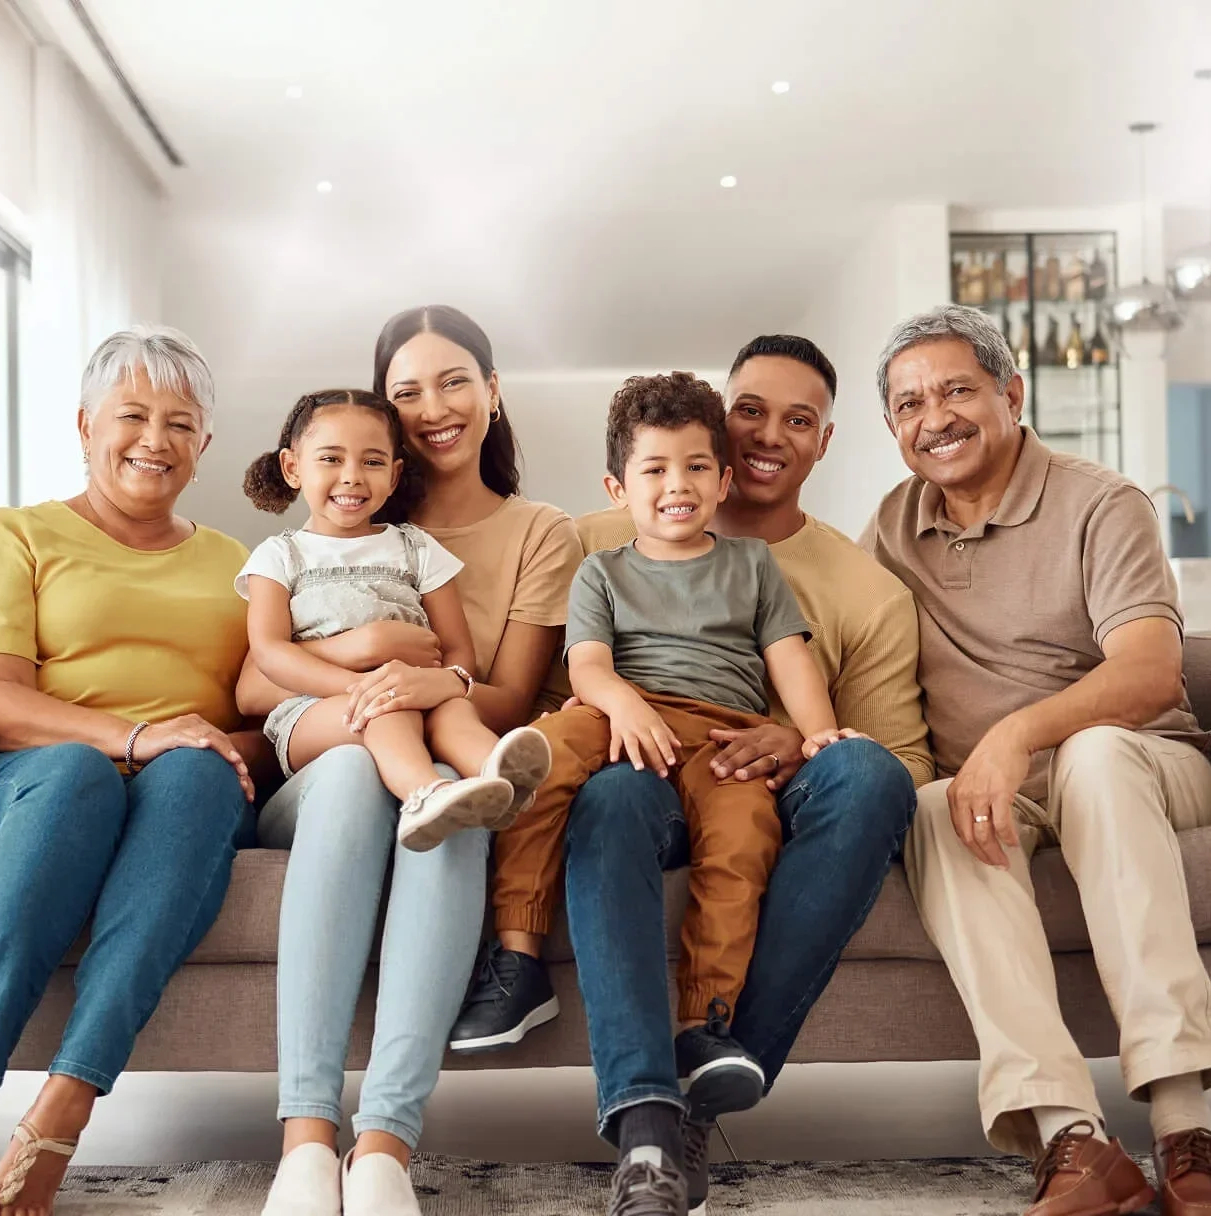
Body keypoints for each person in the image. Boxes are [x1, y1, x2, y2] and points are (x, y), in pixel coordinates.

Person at [460, 335, 926, 1216]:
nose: (764, 435)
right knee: (588, 780)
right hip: (620, 750)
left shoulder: (836, 585)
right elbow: (579, 666)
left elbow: (869, 741)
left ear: (822, 441)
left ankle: (708, 1045)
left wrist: (809, 737)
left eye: (797, 419)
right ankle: (574, 1026)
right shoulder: (596, 548)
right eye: (749, 410)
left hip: (731, 749)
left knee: (825, 793)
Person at [0, 326, 271, 1216]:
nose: (153, 439)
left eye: (180, 423)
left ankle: (65, 1102)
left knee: (198, 778)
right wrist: (135, 737)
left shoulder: (238, 566)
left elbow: (260, 718)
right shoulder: (16, 535)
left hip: (184, 789)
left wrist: (215, 749)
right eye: (131, 415)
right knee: (77, 774)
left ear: (204, 445)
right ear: (85, 424)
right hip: (19, 780)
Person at [866, 304, 1211, 1216]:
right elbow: (840, 645)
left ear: (1010, 394)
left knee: (1095, 754)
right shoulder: (892, 529)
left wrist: (1015, 735)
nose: (931, 417)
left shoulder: (1102, 501)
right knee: (936, 806)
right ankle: (1073, 1139)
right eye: (906, 404)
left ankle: (1185, 1126)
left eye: (954, 390)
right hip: (997, 793)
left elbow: (1148, 671)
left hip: (1143, 765)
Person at [250, 306, 582, 1216]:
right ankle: (306, 1140)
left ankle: (386, 1144)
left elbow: (504, 695)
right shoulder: (312, 540)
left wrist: (422, 683)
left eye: (453, 381)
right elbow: (252, 683)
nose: (433, 406)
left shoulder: (532, 532)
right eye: (407, 391)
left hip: (437, 734)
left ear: (492, 392)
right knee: (367, 768)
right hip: (329, 756)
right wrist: (371, 653)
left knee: (463, 802)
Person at [239, 387, 552, 849]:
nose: (352, 477)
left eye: (371, 462)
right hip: (311, 712)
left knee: (453, 709)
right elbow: (269, 652)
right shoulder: (279, 556)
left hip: (410, 689)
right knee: (386, 711)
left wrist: (443, 681)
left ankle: (498, 775)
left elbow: (458, 650)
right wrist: (362, 688)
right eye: (330, 459)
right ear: (292, 467)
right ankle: (425, 793)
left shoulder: (416, 548)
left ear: (394, 475)